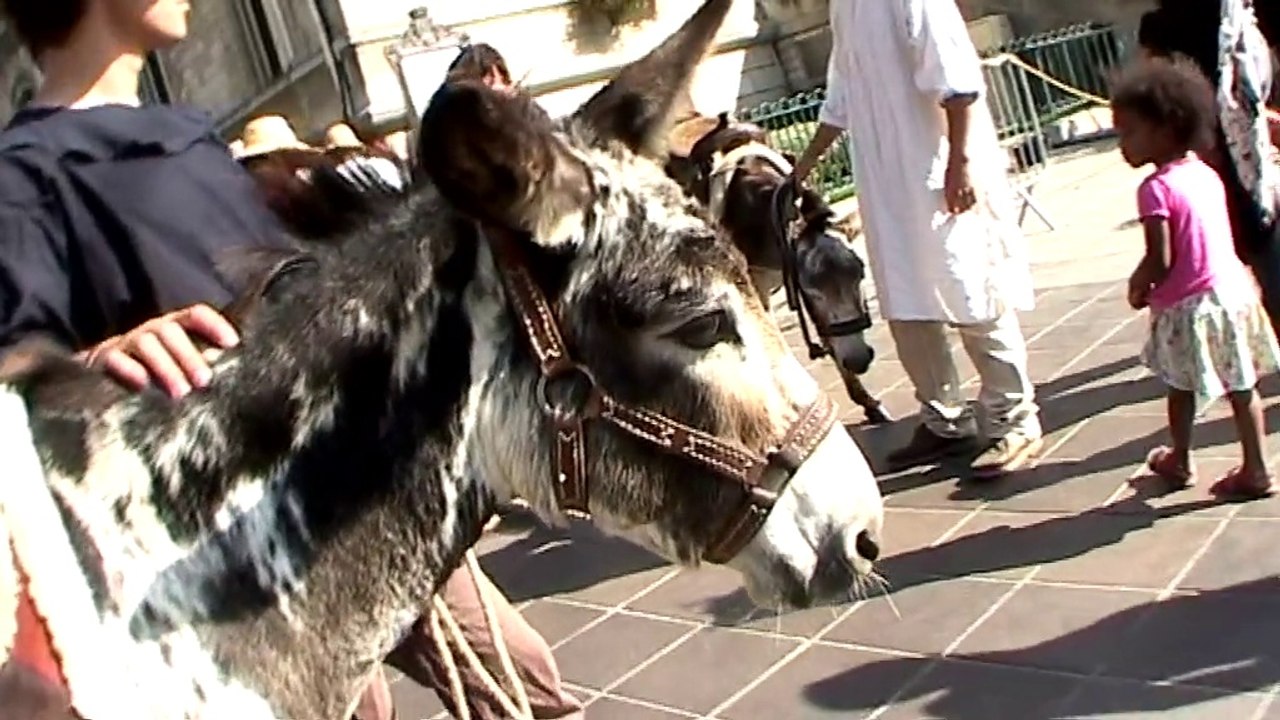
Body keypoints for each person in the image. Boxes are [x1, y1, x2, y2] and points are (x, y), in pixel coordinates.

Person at [0, 2, 583, 719]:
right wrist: (100, 353)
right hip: (235, 537)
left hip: (358, 469)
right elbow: (16, 378)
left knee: (526, 682)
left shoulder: (187, 134)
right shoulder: (25, 172)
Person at [788, 0, 1043, 478]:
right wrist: (800, 171)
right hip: (887, 184)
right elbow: (842, 95)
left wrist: (959, 162)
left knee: (972, 291)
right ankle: (944, 420)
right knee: (907, 303)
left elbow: (957, 81)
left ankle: (1013, 419)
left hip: (938, 171)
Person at [1114, 57, 1279, 499]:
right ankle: (1257, 467)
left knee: (1180, 385)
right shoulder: (1204, 172)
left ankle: (1181, 459)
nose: (1121, 144)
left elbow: (1161, 257)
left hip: (1189, 307)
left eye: (1129, 132)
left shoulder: (1155, 189)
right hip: (1232, 292)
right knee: (1242, 385)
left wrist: (1138, 284)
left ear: (1166, 129)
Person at [1137, 0, 1280, 336]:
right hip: (1219, 158)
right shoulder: (1176, 25)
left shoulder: (1232, 14)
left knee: (1257, 243)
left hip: (1239, 157)